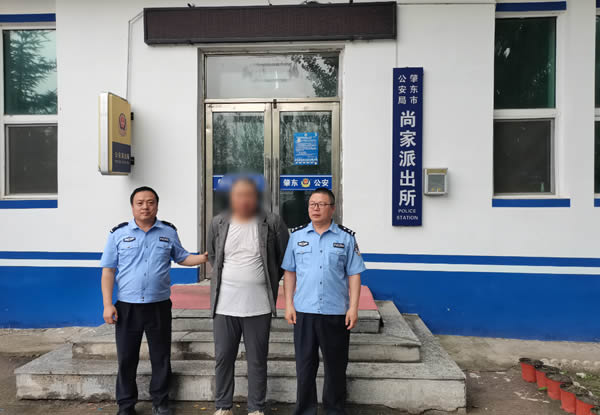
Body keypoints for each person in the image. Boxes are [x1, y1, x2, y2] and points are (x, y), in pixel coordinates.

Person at [100, 186, 209, 415]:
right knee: (126, 358)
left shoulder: (168, 232)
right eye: (140, 203)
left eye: (150, 202)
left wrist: (203, 258)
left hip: (158, 305)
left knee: (161, 356)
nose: (145, 207)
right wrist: (108, 304)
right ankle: (126, 405)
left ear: (157, 205)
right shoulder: (118, 234)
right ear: (132, 206)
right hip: (127, 307)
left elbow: (182, 257)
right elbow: (108, 270)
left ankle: (160, 402)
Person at [207, 177, 289, 415]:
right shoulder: (219, 222)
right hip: (224, 304)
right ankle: (223, 406)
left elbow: (283, 258)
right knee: (223, 358)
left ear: (257, 197)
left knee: (257, 359)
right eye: (239, 195)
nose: (244, 200)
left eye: (249, 195)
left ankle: (256, 408)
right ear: (231, 198)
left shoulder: (271, 222)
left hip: (258, 305)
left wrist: (266, 279)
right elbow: (213, 255)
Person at [282, 187, 366, 415]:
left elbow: (354, 274)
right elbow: (289, 272)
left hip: (335, 312)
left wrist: (353, 308)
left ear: (332, 208)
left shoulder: (346, 238)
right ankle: (305, 411)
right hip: (304, 311)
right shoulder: (297, 237)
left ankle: (334, 410)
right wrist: (288, 304)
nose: (315, 208)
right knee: (305, 367)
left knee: (336, 367)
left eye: (321, 204)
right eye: (312, 204)